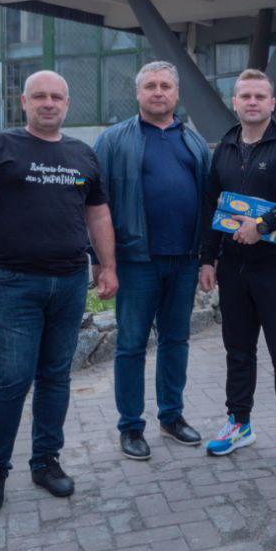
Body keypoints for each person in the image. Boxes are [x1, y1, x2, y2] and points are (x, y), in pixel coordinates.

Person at [0, 70, 118, 513]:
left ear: (67, 104)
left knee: (55, 377)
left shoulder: (83, 154)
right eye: (40, 96)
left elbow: (99, 215)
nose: (49, 103)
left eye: (57, 97)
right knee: (11, 379)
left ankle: (46, 462)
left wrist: (107, 265)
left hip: (69, 282)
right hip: (15, 284)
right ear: (24, 102)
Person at [199, 69, 276, 467]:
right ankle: (239, 423)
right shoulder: (225, 147)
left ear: (273, 103)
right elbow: (211, 204)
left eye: (259, 96)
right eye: (245, 96)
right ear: (234, 102)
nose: (252, 102)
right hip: (233, 267)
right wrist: (207, 259)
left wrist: (264, 225)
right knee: (237, 349)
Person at [92, 61, 211, 460]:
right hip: (136, 261)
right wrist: (100, 261)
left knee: (176, 340)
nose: (158, 92)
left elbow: (209, 201)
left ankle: (171, 416)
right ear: (138, 93)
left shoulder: (194, 142)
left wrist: (208, 258)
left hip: (184, 260)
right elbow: (93, 201)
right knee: (130, 345)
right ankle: (130, 426)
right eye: (150, 86)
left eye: (165, 86)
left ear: (176, 94)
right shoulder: (113, 141)